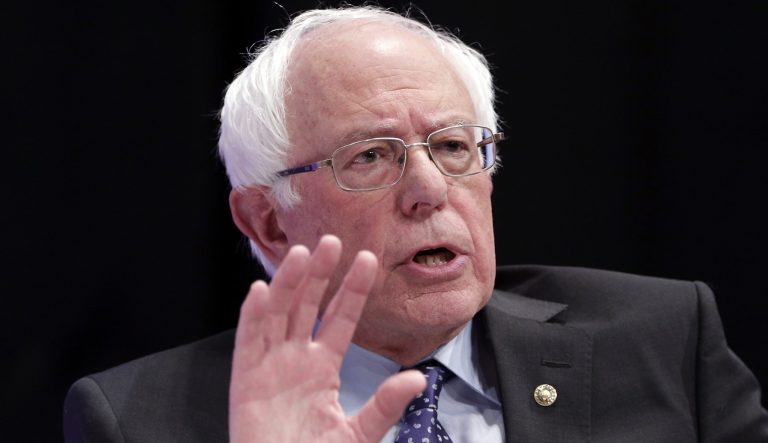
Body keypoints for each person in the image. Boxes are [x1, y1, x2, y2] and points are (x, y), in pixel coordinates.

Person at [63, 6, 768, 442]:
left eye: (454, 146)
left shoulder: (662, 339)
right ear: (269, 221)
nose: (430, 190)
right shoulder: (135, 421)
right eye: (371, 156)